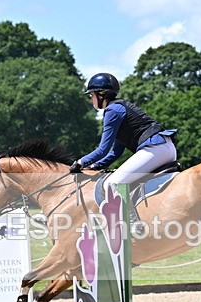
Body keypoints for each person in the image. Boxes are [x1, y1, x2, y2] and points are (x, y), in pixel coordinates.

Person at [69, 73, 177, 233]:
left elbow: (102, 150)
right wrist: (95, 166)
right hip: (166, 148)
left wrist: (80, 162)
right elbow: (115, 153)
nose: (90, 99)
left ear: (101, 94)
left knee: (112, 183)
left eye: (91, 95)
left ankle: (134, 224)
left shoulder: (112, 110)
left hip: (155, 148)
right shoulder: (119, 108)